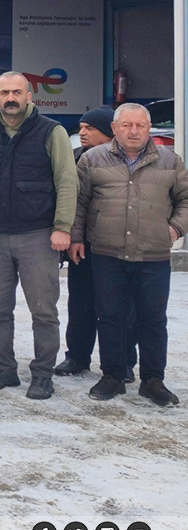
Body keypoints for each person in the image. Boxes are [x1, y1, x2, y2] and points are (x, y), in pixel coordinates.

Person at [0, 71, 78, 400]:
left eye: (17, 92)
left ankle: (42, 374)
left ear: (29, 96)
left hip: (38, 236)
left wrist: (62, 227)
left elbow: (68, 182)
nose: (10, 98)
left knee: (43, 310)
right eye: (4, 93)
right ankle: (5, 369)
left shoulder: (51, 132)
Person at [71, 102, 188, 407]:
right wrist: (76, 237)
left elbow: (185, 199)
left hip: (153, 256)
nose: (133, 131)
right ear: (114, 128)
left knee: (152, 319)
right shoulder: (93, 160)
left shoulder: (169, 161)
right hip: (107, 253)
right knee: (109, 317)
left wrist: (174, 230)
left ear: (149, 129)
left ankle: (153, 380)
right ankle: (112, 376)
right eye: (126, 125)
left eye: (140, 126)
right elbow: (79, 202)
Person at [55, 106, 116, 377]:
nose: (82, 132)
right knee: (80, 304)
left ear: (108, 131)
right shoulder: (74, 158)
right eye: (81, 127)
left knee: (116, 307)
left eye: (89, 128)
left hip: (116, 245)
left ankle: (120, 363)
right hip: (81, 244)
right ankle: (77, 357)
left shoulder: (122, 160)